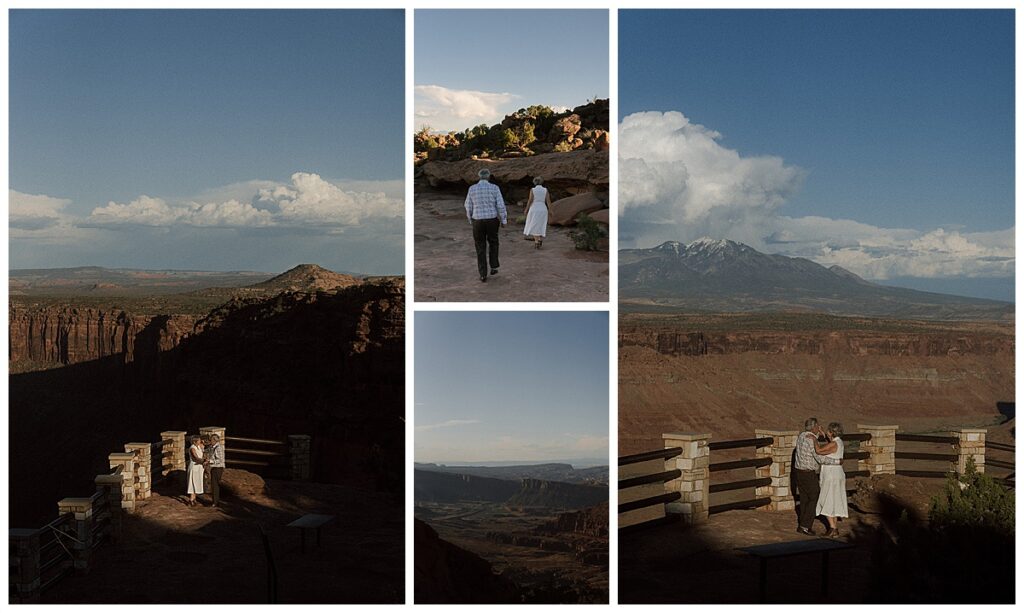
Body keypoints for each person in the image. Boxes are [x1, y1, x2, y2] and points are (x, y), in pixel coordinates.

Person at [793, 417, 841, 535]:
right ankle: (805, 525)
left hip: (798, 472)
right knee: (815, 497)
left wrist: (821, 435)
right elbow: (819, 457)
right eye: (817, 426)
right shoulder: (811, 439)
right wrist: (837, 462)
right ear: (814, 427)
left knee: (804, 498)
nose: (818, 427)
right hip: (808, 474)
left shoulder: (801, 436)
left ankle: (802, 524)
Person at [465, 168, 507, 282]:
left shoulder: (472, 189)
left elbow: (468, 205)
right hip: (492, 219)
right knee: (493, 242)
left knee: (480, 246)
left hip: (477, 220)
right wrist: (503, 220)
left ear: (479, 176)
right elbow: (500, 205)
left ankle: (483, 274)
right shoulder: (494, 188)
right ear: (488, 176)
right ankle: (493, 266)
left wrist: (470, 219)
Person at [814, 422, 848, 537]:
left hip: (831, 475)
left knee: (827, 499)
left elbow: (819, 451)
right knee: (833, 499)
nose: (827, 432)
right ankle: (834, 529)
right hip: (837, 474)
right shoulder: (839, 442)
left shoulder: (834, 444)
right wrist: (823, 434)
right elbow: (831, 446)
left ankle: (832, 527)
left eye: (828, 431)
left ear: (832, 432)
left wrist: (814, 439)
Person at [523, 176, 551, 248]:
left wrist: (526, 209)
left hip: (534, 208)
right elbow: (548, 201)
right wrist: (551, 210)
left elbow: (530, 200)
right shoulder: (545, 190)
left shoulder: (532, 190)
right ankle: (539, 239)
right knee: (540, 225)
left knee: (533, 225)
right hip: (543, 208)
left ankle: (537, 241)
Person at [186, 436, 206, 507]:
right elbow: (195, 457)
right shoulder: (192, 448)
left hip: (199, 467)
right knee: (192, 482)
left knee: (197, 482)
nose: (200, 441)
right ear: (195, 442)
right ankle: (191, 499)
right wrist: (204, 461)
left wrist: (202, 448)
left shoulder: (199, 446)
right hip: (194, 467)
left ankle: (194, 498)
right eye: (199, 440)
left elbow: (203, 453)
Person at [207, 434, 226, 508]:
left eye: (211, 440)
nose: (210, 441)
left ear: (215, 440)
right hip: (214, 467)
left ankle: (215, 502)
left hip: (218, 468)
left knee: (215, 485)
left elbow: (219, 460)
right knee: (214, 485)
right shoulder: (213, 447)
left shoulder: (218, 448)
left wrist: (210, 461)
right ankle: (215, 501)